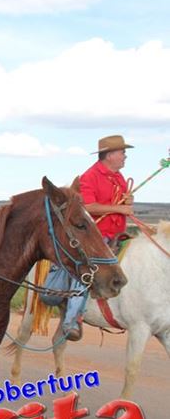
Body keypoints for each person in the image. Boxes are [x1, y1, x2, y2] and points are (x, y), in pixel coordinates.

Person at [51, 135, 134, 341]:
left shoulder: (119, 178)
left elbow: (120, 205)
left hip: (117, 234)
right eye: (122, 152)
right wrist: (119, 207)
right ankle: (72, 320)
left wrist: (128, 201)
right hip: (96, 237)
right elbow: (86, 207)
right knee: (87, 270)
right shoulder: (90, 176)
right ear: (109, 155)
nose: (125, 156)